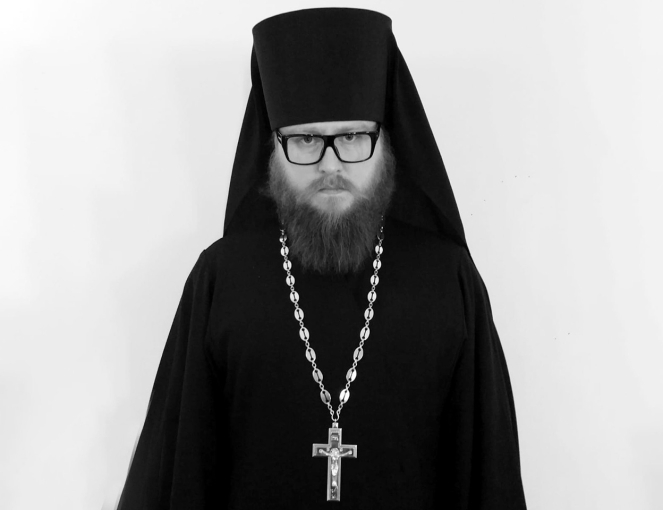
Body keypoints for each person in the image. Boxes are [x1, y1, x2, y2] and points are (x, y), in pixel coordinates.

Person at [117, 8, 527, 509]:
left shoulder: (448, 280)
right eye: (306, 139)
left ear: (385, 142)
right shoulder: (220, 280)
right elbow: (181, 473)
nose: (330, 165)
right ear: (273, 148)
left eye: (352, 137)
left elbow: (486, 475)